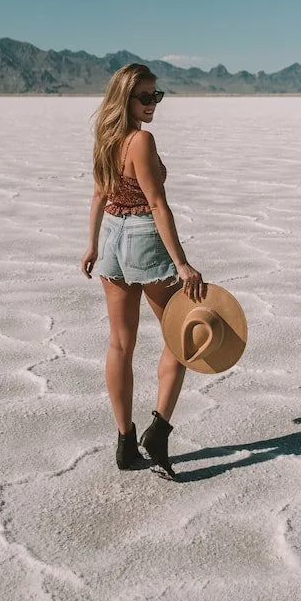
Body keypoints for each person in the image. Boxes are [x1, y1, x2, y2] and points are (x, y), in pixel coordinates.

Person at [81, 63, 204, 477]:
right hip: (143, 239)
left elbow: (100, 194)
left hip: (113, 241)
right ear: (126, 99)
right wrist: (183, 264)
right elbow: (156, 204)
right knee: (182, 335)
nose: (153, 104)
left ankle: (124, 443)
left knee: (120, 345)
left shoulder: (105, 137)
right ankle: (159, 431)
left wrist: (93, 244)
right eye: (146, 97)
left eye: (158, 96)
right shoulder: (140, 140)